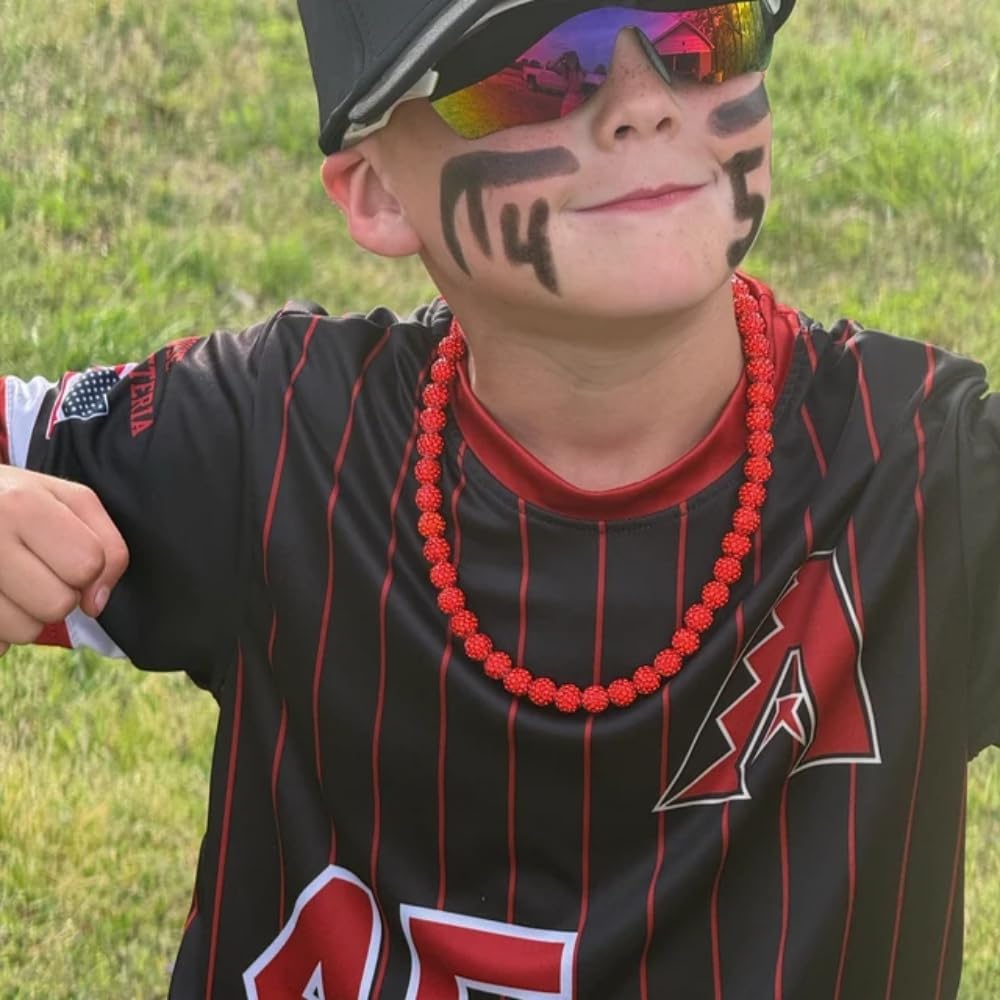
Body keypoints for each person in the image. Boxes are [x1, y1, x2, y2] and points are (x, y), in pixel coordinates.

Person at [0, 1, 995, 996]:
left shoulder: (928, 485)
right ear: (380, 194)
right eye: (537, 67)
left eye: (703, 30)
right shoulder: (277, 439)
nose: (643, 101)